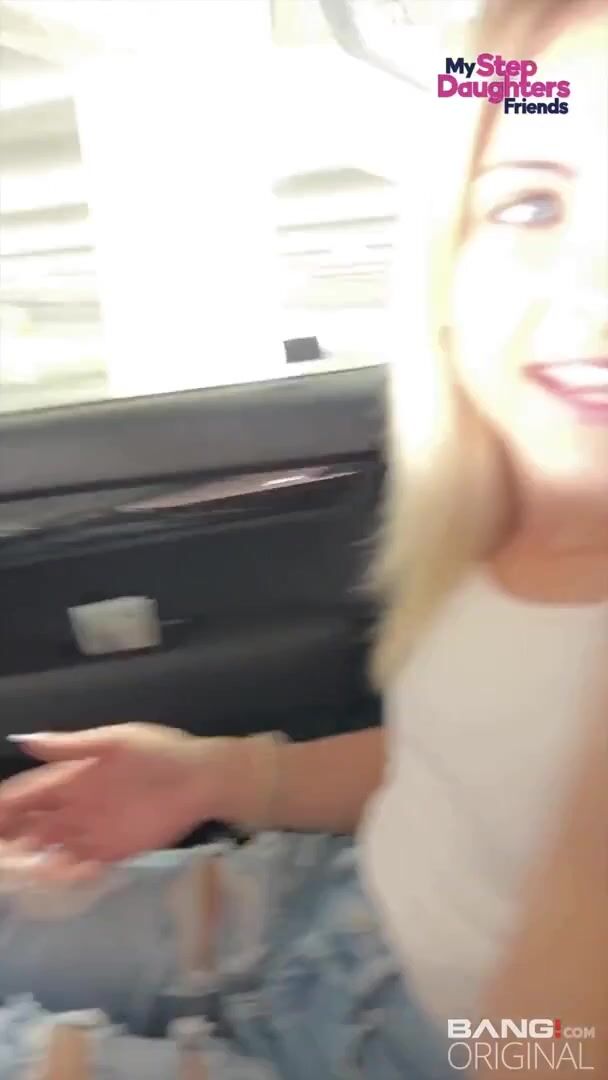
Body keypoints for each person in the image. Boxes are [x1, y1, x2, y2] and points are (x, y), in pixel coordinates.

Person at [0, 0, 607, 1075]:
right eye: (529, 204)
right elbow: (467, 768)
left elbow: (556, 1049)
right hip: (332, 920)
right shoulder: (507, 506)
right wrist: (219, 777)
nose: (591, 293)